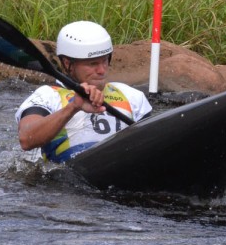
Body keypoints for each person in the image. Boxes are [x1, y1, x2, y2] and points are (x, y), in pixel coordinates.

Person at [16, 20, 151, 162]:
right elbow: (26, 139)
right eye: (93, 64)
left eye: (105, 61)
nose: (101, 70)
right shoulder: (48, 95)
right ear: (68, 63)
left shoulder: (132, 96)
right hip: (68, 172)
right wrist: (74, 107)